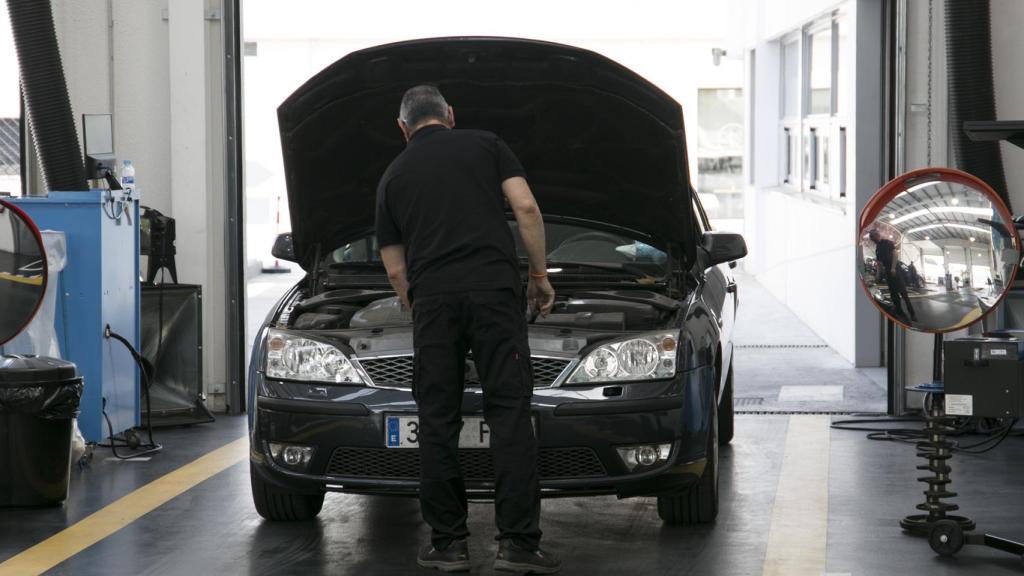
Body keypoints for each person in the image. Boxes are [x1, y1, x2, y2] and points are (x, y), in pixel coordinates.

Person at [375, 85, 560, 574]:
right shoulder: (486, 144)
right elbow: (526, 208)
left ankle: (448, 545)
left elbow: (394, 268)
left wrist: (422, 300)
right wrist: (538, 276)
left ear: (403, 128)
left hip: (434, 301)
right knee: (509, 414)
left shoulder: (392, 176)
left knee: (437, 420)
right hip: (496, 297)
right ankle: (518, 546)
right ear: (450, 116)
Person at [869, 230, 917, 322]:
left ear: (877, 235)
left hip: (895, 270)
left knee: (904, 294)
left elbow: (895, 254)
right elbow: (879, 264)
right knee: (894, 295)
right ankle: (900, 314)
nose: (872, 239)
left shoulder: (887, 242)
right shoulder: (877, 249)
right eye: (871, 238)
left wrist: (893, 268)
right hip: (888, 272)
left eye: (872, 237)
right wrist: (877, 276)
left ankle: (912, 314)